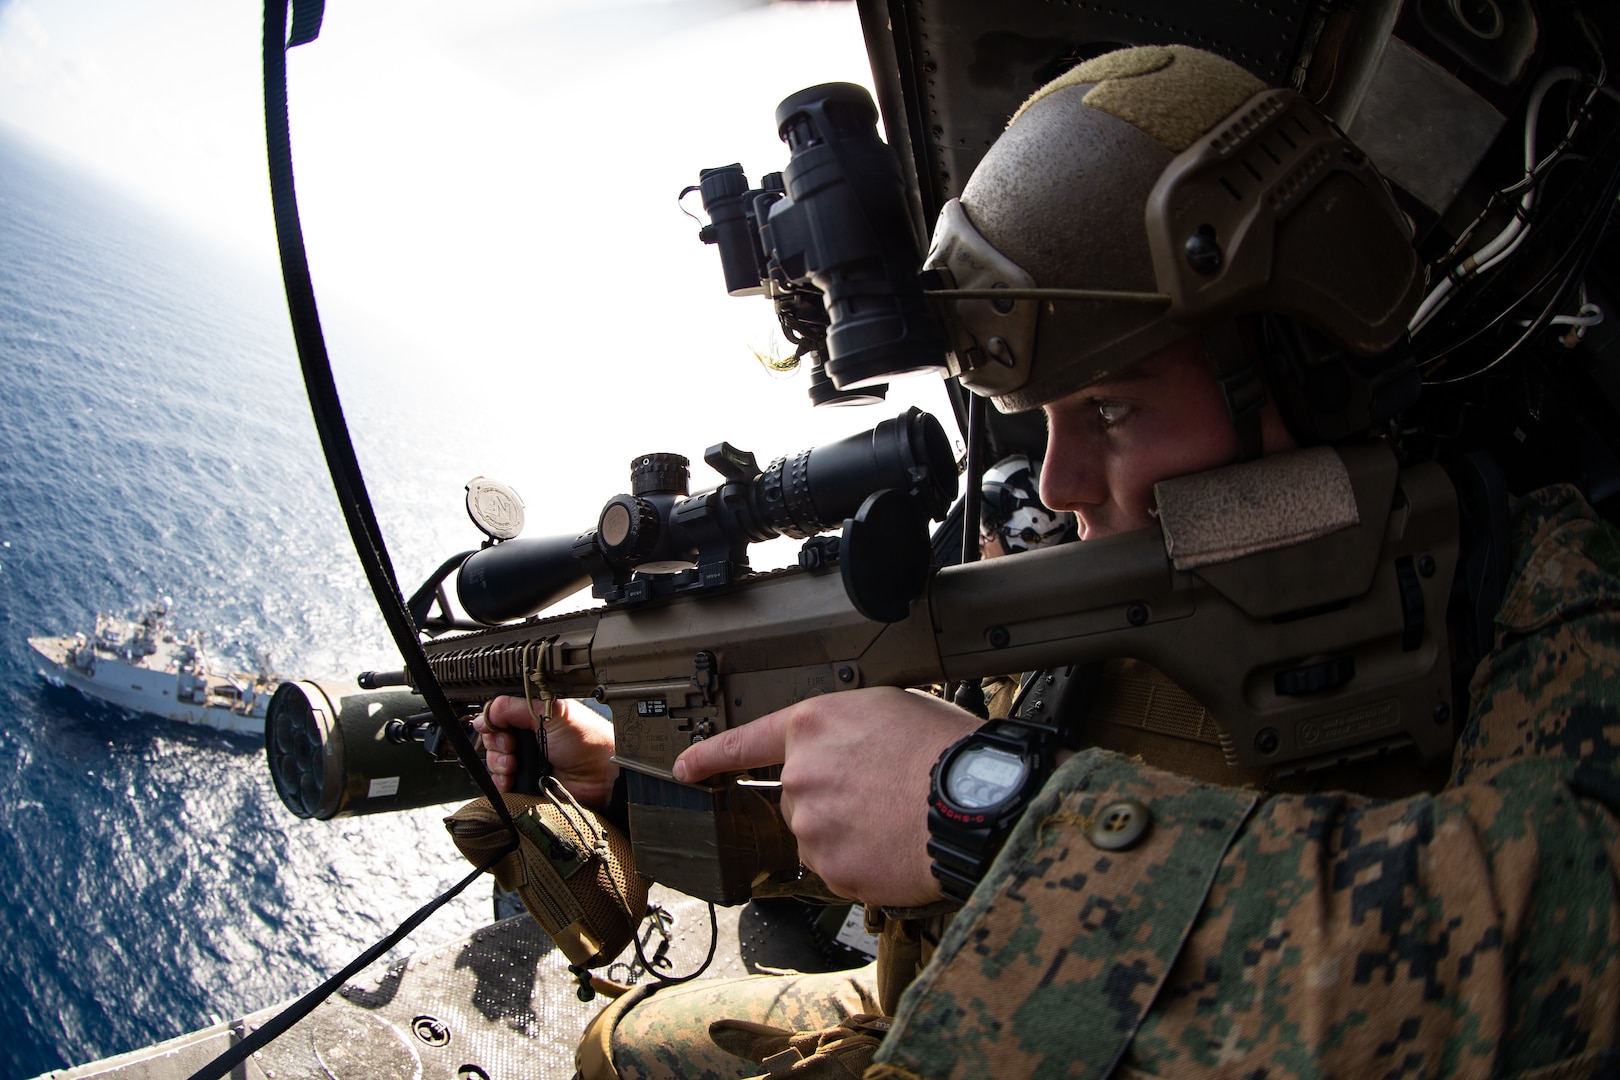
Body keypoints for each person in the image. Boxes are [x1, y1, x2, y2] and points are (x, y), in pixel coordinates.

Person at [476, 45, 1620, 1078]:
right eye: (1042, 420)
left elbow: (1575, 940)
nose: (1061, 483)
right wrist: (625, 778)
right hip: (949, 994)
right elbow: (892, 841)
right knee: (619, 1049)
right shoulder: (1103, 576)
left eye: (1114, 410)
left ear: (1299, 369)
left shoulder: (1524, 578)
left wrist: (993, 809)